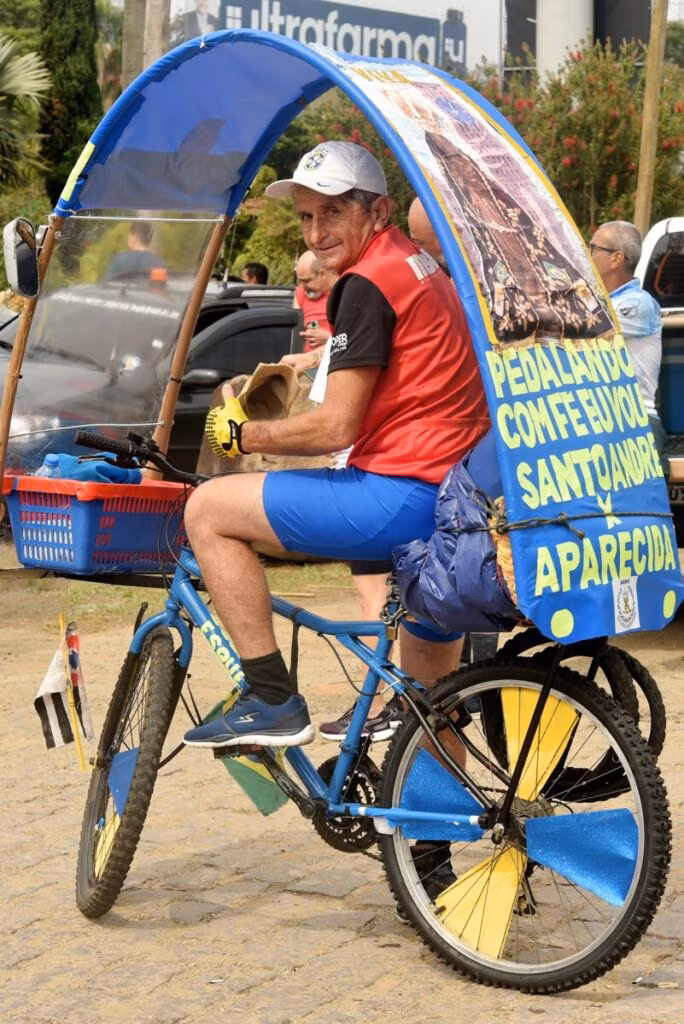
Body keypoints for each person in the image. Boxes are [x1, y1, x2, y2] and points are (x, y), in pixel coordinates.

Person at [181, 140, 489, 751]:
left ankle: (270, 696)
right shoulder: (415, 264)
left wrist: (243, 434)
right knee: (431, 702)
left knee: (208, 509)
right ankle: (432, 841)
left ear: (378, 210)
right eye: (305, 216)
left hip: (403, 493)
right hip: (455, 502)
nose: (317, 232)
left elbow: (335, 428)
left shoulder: (367, 283)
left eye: (333, 213)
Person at [589, 220, 665, 461]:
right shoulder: (599, 302)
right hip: (604, 425)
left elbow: (584, 329)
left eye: (592, 248)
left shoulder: (638, 303)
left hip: (637, 424)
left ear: (616, 258)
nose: (586, 254)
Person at [292, 250, 337, 353]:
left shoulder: (342, 292)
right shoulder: (300, 294)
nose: (302, 286)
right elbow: (295, 332)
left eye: (306, 281)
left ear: (322, 274)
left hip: (333, 362)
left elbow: (355, 339)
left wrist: (328, 339)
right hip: (305, 364)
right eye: (300, 281)